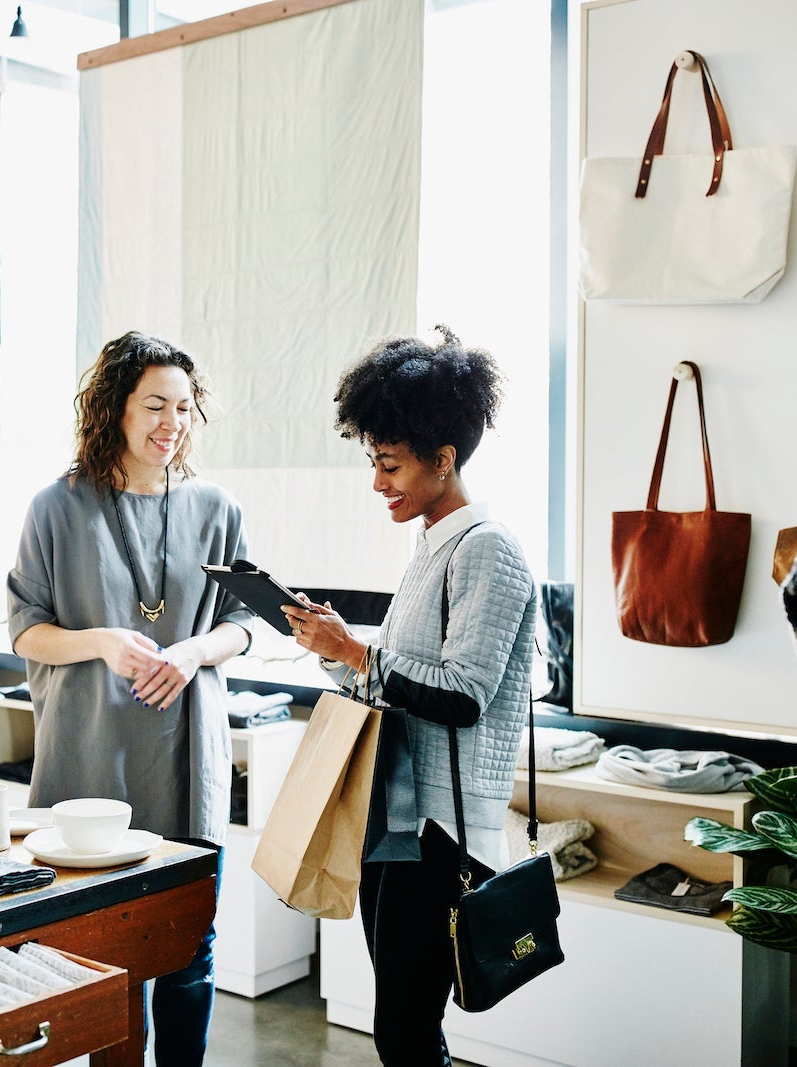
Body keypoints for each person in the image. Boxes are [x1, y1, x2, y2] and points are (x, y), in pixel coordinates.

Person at [283, 325, 537, 1066]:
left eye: (389, 464)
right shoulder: (433, 543)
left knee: (405, 1029)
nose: (377, 482)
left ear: (444, 457)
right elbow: (399, 679)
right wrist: (332, 652)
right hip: (399, 818)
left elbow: (464, 696)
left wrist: (355, 650)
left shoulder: (486, 546)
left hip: (441, 831)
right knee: (402, 1026)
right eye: (374, 462)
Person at [7, 330, 256, 1066]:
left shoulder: (216, 507)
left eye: (183, 407)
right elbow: (24, 630)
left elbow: (245, 623)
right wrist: (101, 642)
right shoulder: (57, 507)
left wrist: (191, 650)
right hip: (91, 759)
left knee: (189, 950)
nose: (170, 423)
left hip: (184, 758)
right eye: (154, 404)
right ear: (115, 408)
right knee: (97, 955)